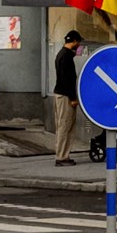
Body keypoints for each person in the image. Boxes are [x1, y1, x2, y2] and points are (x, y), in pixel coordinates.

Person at [51, 32, 82, 163]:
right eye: (78, 42)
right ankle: (62, 157)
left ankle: (63, 155)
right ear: (74, 41)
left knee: (63, 126)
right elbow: (67, 79)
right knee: (65, 126)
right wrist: (73, 97)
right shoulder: (67, 56)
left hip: (61, 94)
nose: (79, 45)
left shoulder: (61, 54)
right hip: (65, 96)